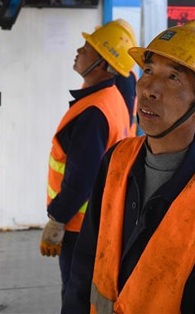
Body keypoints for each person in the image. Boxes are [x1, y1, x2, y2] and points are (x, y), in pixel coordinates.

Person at [63, 20, 195, 313]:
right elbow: (84, 265)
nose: (149, 88)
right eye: (148, 70)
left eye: (173, 77)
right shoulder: (117, 160)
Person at [41, 20, 136, 301]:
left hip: (79, 228)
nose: (79, 50)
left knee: (76, 299)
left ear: (103, 64)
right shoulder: (111, 98)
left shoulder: (94, 113)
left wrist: (57, 219)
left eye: (87, 48)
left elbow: (81, 179)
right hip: (96, 222)